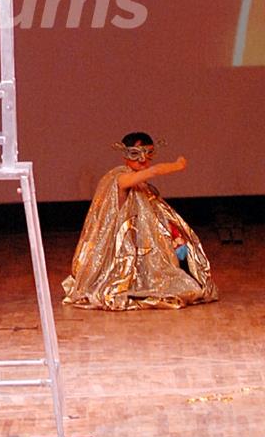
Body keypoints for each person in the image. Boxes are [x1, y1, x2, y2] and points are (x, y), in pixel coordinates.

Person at [62, 132, 218, 310]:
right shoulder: (119, 178)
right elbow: (153, 171)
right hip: (123, 251)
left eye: (149, 153)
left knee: (185, 262)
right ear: (125, 155)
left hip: (146, 246)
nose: (143, 159)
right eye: (135, 154)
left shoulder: (142, 185)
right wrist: (178, 165)